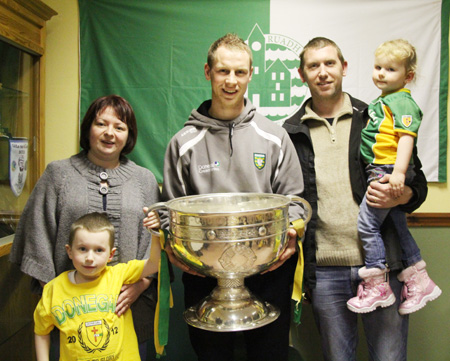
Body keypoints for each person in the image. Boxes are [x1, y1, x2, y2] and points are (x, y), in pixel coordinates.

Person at [161, 33, 306, 361]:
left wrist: (291, 236)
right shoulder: (182, 143)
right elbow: (171, 211)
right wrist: (173, 246)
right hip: (205, 271)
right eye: (223, 71)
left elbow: (294, 201)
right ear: (207, 71)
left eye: (240, 72)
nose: (231, 81)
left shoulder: (274, 136)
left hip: (268, 270)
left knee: (269, 356)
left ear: (251, 74)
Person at [282, 37, 428, 361]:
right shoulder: (289, 133)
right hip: (325, 273)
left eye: (330, 63)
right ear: (301, 74)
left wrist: (402, 193)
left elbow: (417, 184)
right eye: (313, 66)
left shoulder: (375, 115)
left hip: (384, 266)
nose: (323, 72)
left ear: (344, 68)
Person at [10, 95, 160, 360]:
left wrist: (142, 284)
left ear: (129, 135)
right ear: (88, 127)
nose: (109, 133)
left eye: (119, 127)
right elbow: (37, 234)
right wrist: (59, 296)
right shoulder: (58, 174)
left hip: (128, 312)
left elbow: (155, 238)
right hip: (70, 322)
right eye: (101, 123)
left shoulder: (144, 180)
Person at [347, 39, 441, 314]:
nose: (381, 73)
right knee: (398, 224)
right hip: (382, 168)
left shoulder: (402, 101)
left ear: (408, 76)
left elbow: (406, 138)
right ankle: (419, 279)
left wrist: (399, 173)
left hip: (387, 169)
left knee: (366, 224)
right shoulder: (383, 101)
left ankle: (377, 282)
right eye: (378, 67)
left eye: (390, 69)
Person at [34, 212, 161, 361]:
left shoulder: (118, 275)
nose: (89, 258)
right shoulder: (53, 289)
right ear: (69, 251)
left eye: (99, 250)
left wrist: (155, 233)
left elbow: (154, 263)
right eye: (82, 249)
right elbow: (41, 330)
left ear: (111, 254)